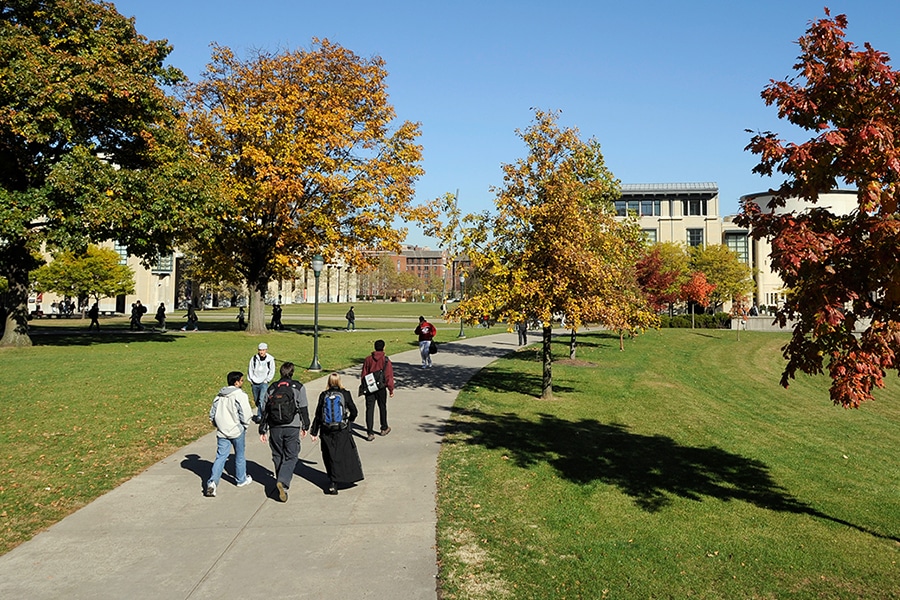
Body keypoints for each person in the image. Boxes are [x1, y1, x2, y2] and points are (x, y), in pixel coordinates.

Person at [259, 362, 309, 502]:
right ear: (292, 373)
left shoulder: (272, 388)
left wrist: (262, 429)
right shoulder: (298, 387)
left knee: (277, 454)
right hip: (292, 426)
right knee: (291, 455)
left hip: (274, 426)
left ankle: (280, 480)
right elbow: (303, 407)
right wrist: (305, 425)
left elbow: (265, 409)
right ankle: (283, 481)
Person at [310, 372, 364, 494]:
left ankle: (332, 481)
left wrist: (314, 431)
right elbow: (354, 411)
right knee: (343, 454)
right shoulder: (345, 394)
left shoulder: (323, 395)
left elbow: (318, 414)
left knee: (329, 455)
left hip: (326, 430)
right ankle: (343, 477)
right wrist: (349, 421)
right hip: (341, 430)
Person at [205, 371, 254, 497]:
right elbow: (246, 413)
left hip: (222, 431)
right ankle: (241, 479)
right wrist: (245, 425)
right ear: (236, 382)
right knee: (240, 455)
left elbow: (212, 414)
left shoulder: (219, 396)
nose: (243, 383)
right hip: (236, 430)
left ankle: (212, 483)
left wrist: (217, 425)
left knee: (220, 456)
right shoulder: (240, 395)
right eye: (242, 381)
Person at [360, 339, 394, 441]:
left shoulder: (368, 359)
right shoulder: (386, 360)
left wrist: (363, 386)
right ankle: (384, 427)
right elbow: (389, 376)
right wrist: (391, 389)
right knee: (382, 407)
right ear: (384, 347)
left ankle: (370, 432)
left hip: (370, 387)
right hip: (381, 387)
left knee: (369, 409)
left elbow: (364, 374)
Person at [248, 342, 276, 423]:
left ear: (266, 350)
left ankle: (260, 416)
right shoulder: (254, 359)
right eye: (260, 350)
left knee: (261, 399)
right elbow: (250, 369)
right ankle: (262, 411)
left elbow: (272, 371)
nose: (261, 352)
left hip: (264, 382)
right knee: (257, 400)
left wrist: (267, 380)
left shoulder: (270, 359)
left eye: (263, 350)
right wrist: (251, 379)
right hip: (255, 382)